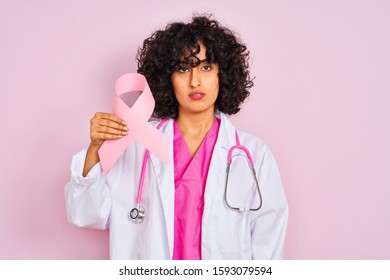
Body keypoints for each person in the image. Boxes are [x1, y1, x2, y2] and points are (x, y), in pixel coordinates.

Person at [65, 15, 288, 260]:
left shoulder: (254, 155)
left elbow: (269, 243)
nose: (195, 81)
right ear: (167, 78)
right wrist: (96, 148)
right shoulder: (136, 143)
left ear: (222, 74)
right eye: (183, 69)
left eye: (206, 67)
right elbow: (86, 215)